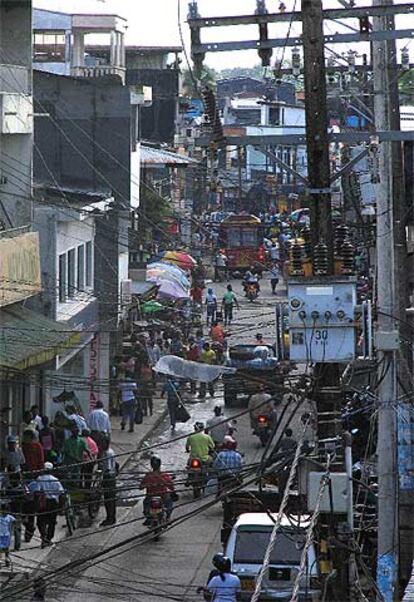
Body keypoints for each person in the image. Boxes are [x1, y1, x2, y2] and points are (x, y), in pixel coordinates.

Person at [30, 462, 64, 547]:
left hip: (42, 503)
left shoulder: (39, 479)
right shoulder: (55, 479)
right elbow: (61, 492)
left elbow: (36, 491)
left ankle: (44, 536)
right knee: (52, 522)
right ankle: (48, 538)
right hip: (53, 503)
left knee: (40, 521)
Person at [140, 455, 175, 524]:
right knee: (169, 502)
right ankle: (168, 517)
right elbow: (171, 487)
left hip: (150, 497)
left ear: (151, 465)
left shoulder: (148, 476)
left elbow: (140, 487)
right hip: (163, 496)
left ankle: (148, 517)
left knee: (146, 503)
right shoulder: (164, 475)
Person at [100, 436, 117, 526]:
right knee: (111, 499)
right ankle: (112, 517)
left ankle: (110, 518)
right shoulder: (110, 451)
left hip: (108, 478)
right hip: (112, 477)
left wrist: (103, 480)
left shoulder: (106, 453)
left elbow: (108, 468)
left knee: (108, 499)